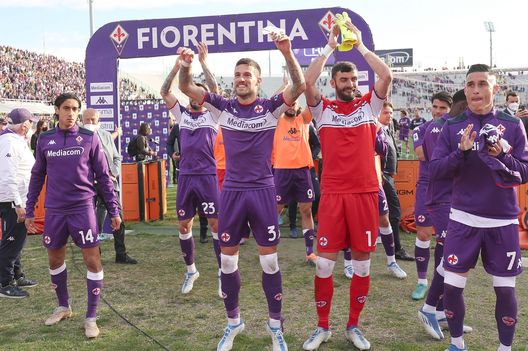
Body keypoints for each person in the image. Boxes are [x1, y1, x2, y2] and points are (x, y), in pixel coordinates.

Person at [178, 29, 305, 351]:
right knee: (228, 264)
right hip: (231, 193)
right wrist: (186, 65)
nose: (241, 79)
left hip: (263, 191)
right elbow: (184, 87)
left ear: (258, 80)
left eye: (247, 74)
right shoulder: (222, 107)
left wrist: (287, 52)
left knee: (270, 264)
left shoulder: (271, 107)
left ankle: (275, 325)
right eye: (237, 75)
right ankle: (233, 321)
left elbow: (300, 86)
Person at [301, 20, 392, 351]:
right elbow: (306, 82)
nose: (351, 83)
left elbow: (386, 77)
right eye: (345, 79)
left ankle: (354, 325)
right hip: (334, 195)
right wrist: (329, 47)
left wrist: (360, 46)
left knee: (363, 265)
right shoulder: (323, 109)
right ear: (334, 82)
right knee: (324, 264)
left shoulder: (369, 105)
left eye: (354, 79)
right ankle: (322, 327)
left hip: (366, 194)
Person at [430, 64, 528, 351]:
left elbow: (525, 170)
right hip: (463, 218)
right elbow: (436, 169)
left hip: (503, 221)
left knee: (505, 290)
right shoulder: (452, 125)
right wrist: (460, 153)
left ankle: (504, 348)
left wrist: (502, 156)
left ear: (494, 88)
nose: (476, 90)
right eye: (471, 84)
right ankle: (457, 344)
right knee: (451, 286)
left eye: (483, 84)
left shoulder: (512, 125)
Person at [25, 93, 121, 339]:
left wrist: (114, 209)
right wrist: (29, 209)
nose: (71, 113)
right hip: (55, 211)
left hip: (83, 209)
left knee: (92, 261)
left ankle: (91, 317)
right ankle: (64, 306)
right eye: (66, 108)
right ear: (57, 110)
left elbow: (103, 176)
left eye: (75, 108)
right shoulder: (45, 139)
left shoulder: (89, 138)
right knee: (55, 261)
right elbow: (37, 176)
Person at [160, 42, 222, 296]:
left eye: (200, 93)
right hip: (186, 177)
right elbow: (165, 91)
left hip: (208, 176)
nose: (195, 96)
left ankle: (222, 273)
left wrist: (204, 63)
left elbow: (215, 89)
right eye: (192, 93)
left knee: (217, 226)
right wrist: (177, 66)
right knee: (184, 226)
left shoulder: (214, 114)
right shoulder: (183, 115)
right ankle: (191, 270)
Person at [418, 89, 473, 340]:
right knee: (453, 255)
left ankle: (441, 309)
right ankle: (429, 308)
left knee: (452, 256)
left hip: (458, 199)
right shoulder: (438, 128)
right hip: (441, 199)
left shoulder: (458, 125)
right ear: (462, 105)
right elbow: (438, 166)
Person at [411, 92, 453, 300]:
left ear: (449, 111)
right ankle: (421, 282)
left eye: (442, 108)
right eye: (435, 107)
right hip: (427, 186)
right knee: (423, 234)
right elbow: (422, 155)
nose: (437, 111)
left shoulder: (454, 128)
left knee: (445, 240)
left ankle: (441, 282)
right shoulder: (421, 128)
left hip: (449, 188)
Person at [82, 108, 137, 264]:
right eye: (87, 120)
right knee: (91, 221)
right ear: (82, 120)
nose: (90, 123)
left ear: (99, 121)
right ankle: (95, 255)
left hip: (109, 183)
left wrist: (114, 172)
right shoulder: (77, 137)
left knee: (118, 217)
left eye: (93, 120)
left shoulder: (105, 135)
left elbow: (116, 156)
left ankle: (121, 254)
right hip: (89, 186)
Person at [0, 108, 39, 298]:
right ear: (25, 125)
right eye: (30, 122)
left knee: (17, 240)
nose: (31, 126)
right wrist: (18, 203)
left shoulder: (14, 141)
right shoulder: (9, 142)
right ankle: (4, 283)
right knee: (12, 241)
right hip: (11, 200)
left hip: (15, 198)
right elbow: (7, 175)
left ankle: (16, 274)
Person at [272, 101, 317, 264]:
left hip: (302, 171)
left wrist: (304, 84)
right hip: (281, 171)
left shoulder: (304, 119)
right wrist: (285, 87)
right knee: (275, 211)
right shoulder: (277, 119)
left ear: (298, 106)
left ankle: (310, 253)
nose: (291, 106)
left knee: (306, 210)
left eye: (294, 104)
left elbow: (314, 102)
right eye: (288, 104)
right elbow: (274, 102)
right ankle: (270, 249)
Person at [380, 103, 415, 262]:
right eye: (386, 112)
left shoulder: (388, 129)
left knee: (387, 212)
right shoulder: (376, 130)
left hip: (387, 175)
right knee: (394, 211)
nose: (389, 115)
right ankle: (396, 249)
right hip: (382, 176)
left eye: (391, 112)